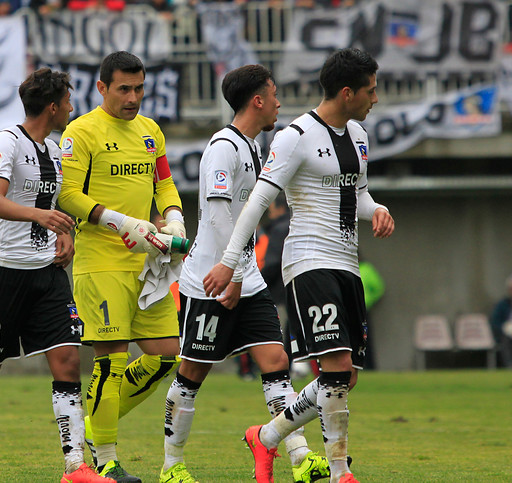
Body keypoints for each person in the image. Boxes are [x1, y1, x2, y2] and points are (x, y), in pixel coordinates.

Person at [204, 48, 395, 483]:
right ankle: (340, 473)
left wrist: (377, 207)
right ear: (347, 93)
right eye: (371, 90)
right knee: (335, 369)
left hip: (347, 262)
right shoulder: (294, 136)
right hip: (309, 260)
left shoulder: (359, 135)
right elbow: (257, 203)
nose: (375, 98)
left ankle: (267, 436)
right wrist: (231, 264)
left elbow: (357, 194)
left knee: (344, 377)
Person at [0, 68, 112, 483]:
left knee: (68, 360)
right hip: (3, 274)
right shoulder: (6, 141)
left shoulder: (52, 149)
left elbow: (49, 206)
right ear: (52, 107)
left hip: (47, 275)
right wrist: (41, 216)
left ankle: (75, 466)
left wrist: (64, 232)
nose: (71, 107)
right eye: (67, 100)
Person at [160, 64, 329, 483]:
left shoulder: (254, 147)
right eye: (273, 95)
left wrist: (241, 271)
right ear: (257, 100)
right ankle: (171, 465)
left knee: (276, 361)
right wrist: (232, 271)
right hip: (210, 280)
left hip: (244, 276)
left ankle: (299, 457)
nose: (278, 103)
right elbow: (217, 215)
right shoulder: (223, 147)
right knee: (192, 374)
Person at [58, 51, 185, 483]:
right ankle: (106, 460)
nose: (133, 98)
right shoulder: (81, 131)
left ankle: (97, 418)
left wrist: (174, 217)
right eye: (124, 89)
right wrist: (120, 220)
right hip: (101, 261)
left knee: (167, 354)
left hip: (147, 261)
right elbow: (68, 196)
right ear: (102, 88)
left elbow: (163, 183)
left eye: (139, 88)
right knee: (111, 360)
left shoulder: (151, 131)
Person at [358, 256, 385, 369]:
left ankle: (369, 368)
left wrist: (369, 301)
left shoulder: (366, 268)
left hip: (362, 310)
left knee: (365, 340)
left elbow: (378, 288)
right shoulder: (342, 268)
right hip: (345, 311)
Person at [490, 274, 512, 368]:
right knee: (505, 339)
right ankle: (509, 365)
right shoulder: (502, 305)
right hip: (506, 334)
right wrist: (504, 328)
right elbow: (494, 321)